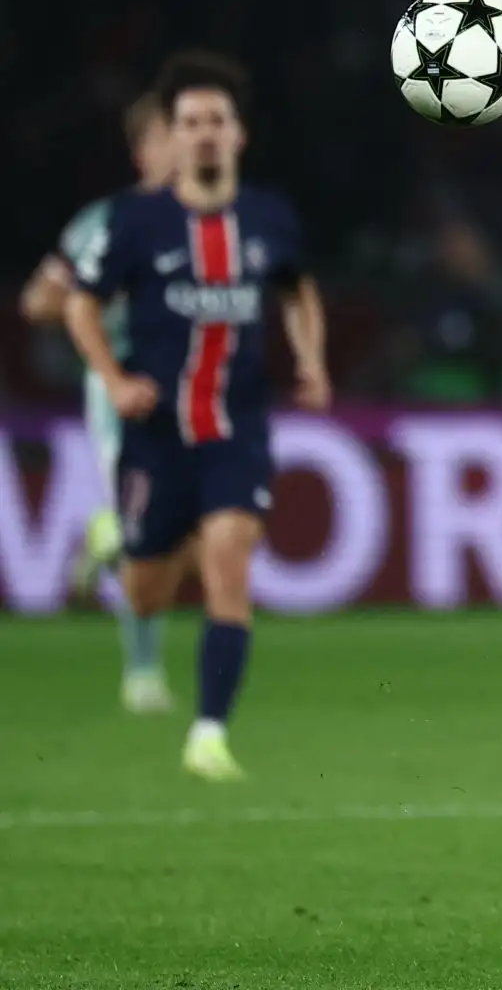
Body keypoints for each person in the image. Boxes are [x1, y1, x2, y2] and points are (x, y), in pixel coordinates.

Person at [64, 52, 331, 781]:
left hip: (236, 431)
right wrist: (113, 380)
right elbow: (80, 303)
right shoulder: (138, 222)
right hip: (156, 436)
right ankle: (119, 545)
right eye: (190, 123)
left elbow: (297, 291)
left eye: (217, 121)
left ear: (237, 135)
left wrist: (311, 361)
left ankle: (209, 733)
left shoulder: (269, 217)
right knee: (149, 590)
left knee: (227, 565)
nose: (205, 134)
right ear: (173, 138)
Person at [19, 92, 179, 712]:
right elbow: (39, 301)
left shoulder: (218, 220)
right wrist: (105, 301)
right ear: (144, 150)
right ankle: (143, 674)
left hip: (197, 387)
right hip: (125, 387)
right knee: (154, 527)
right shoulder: (105, 223)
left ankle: (109, 534)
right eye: (173, 133)